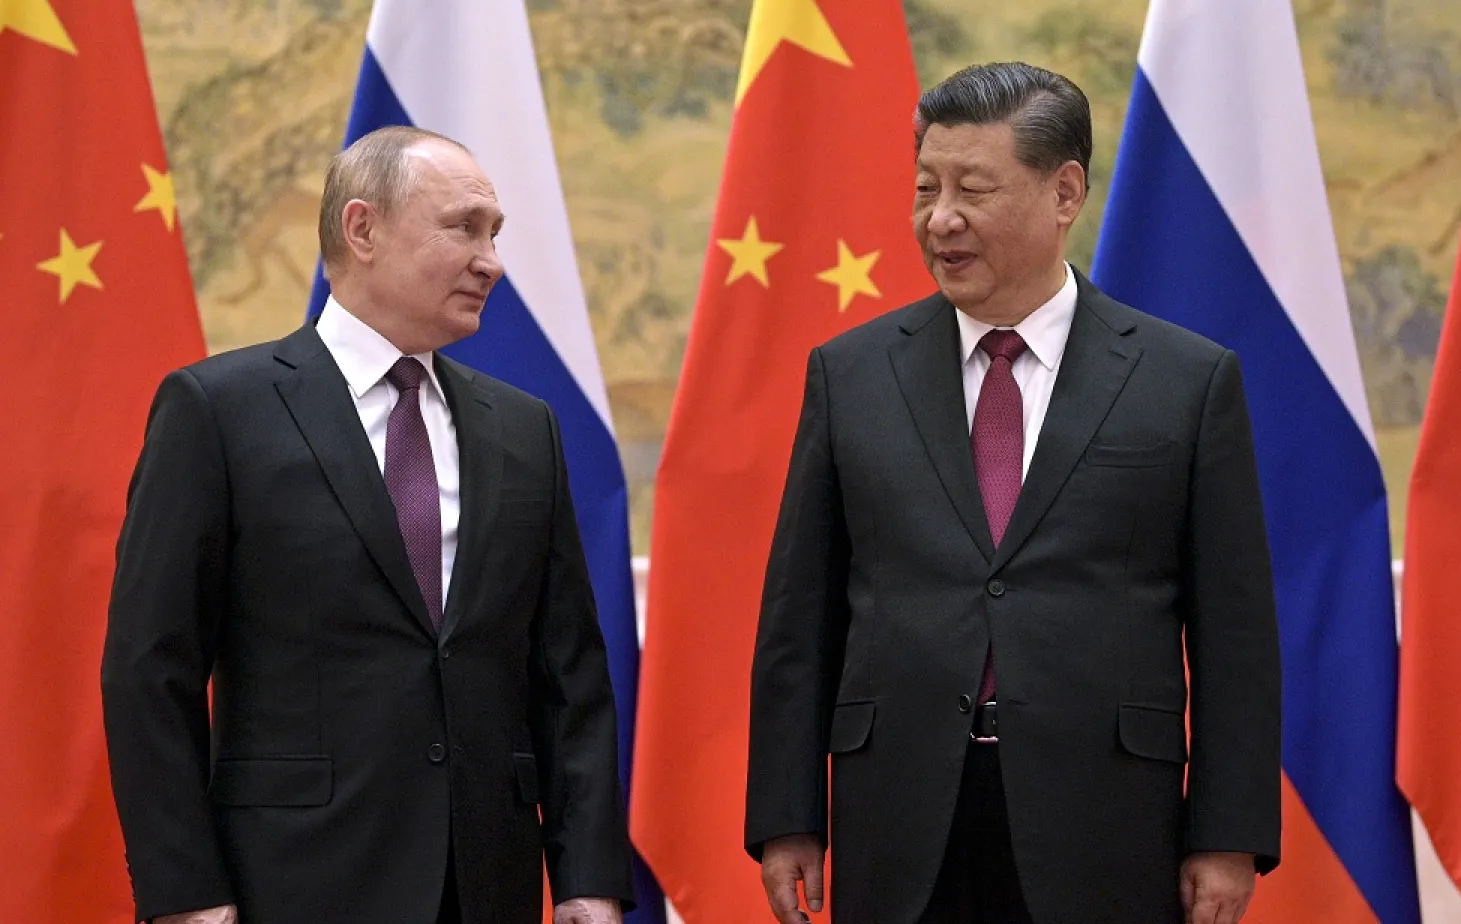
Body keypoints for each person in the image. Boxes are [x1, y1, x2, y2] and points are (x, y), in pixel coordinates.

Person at [745, 62, 1282, 924]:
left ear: (1064, 192)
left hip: (1107, 817)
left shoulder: (1185, 379)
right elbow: (799, 621)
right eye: (926, 186)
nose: (940, 217)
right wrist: (786, 817)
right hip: (902, 812)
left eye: (973, 189)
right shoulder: (851, 374)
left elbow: (1236, 634)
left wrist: (1226, 835)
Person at [102, 126, 633, 924]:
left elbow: (570, 679)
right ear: (362, 229)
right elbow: (151, 669)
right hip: (287, 885)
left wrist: (588, 875)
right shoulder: (218, 412)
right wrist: (186, 895)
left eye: (495, 234)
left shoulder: (523, 429)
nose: (491, 260)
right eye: (464, 227)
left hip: (486, 885)